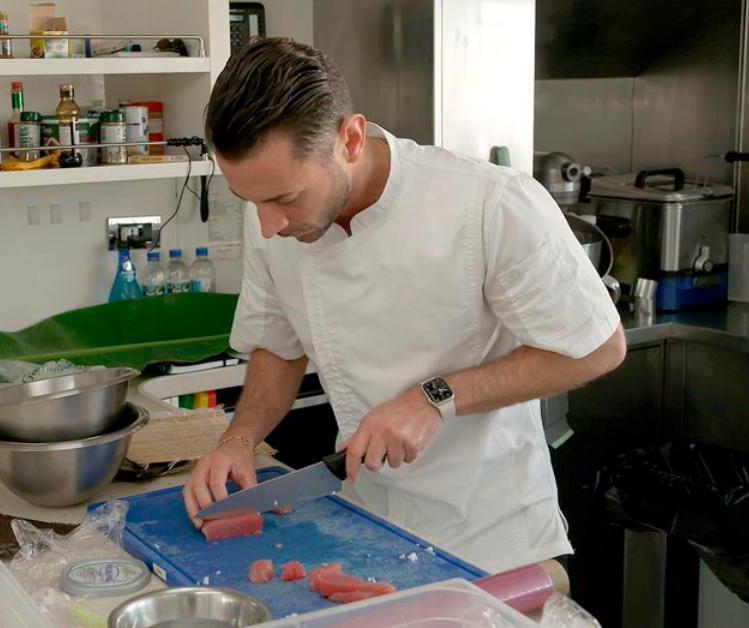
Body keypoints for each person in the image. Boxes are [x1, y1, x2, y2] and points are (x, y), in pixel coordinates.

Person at [182, 38, 626, 573]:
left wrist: (433, 397)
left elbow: (598, 349)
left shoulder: (490, 202)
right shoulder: (274, 222)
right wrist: (239, 439)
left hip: (488, 536)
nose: (268, 225)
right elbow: (277, 349)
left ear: (349, 139)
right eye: (250, 201)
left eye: (284, 199)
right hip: (362, 523)